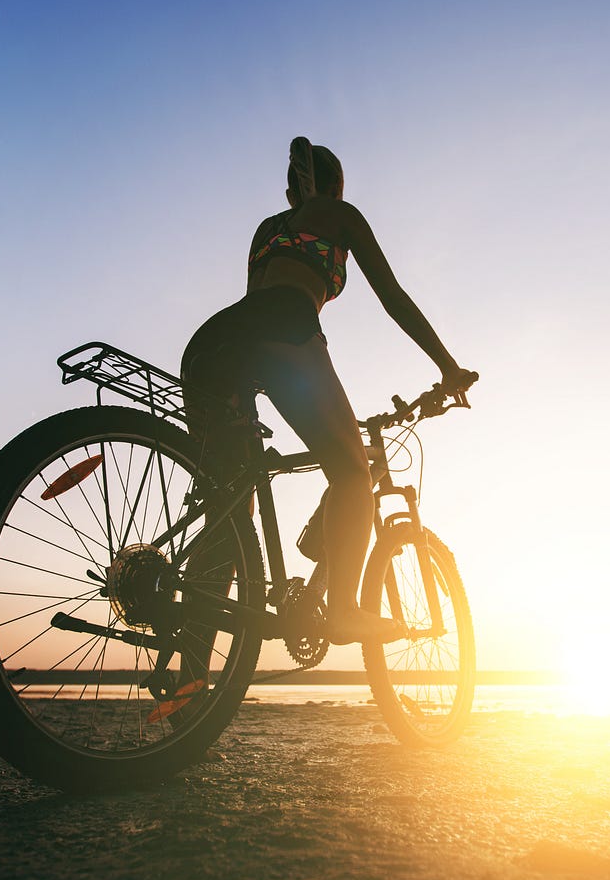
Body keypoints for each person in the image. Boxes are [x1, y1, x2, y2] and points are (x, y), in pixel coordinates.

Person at [181, 136, 473, 645]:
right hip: (286, 329)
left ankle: (187, 679)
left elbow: (254, 307)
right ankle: (342, 611)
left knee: (231, 512)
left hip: (214, 344)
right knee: (352, 472)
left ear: (290, 187)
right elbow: (394, 298)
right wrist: (449, 368)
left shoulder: (267, 229)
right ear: (334, 186)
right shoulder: (340, 216)